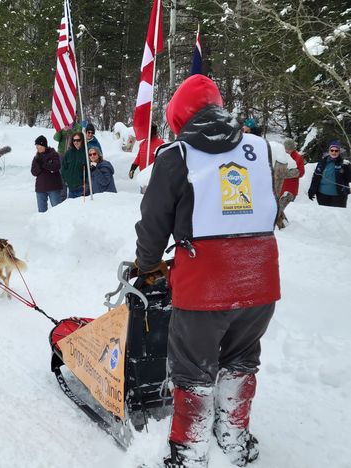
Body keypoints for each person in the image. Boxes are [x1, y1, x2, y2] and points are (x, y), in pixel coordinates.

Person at [133, 75, 279, 467]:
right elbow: (267, 207)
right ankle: (234, 437)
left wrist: (147, 266)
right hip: (260, 278)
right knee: (242, 357)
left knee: (194, 367)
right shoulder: (258, 148)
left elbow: (153, 223)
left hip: (204, 283)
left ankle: (191, 450)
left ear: (178, 116)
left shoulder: (176, 155)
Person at [308, 140, 351, 208]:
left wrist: (347, 168)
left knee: (337, 217)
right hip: (322, 196)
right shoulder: (322, 162)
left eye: (336, 151)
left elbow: (349, 179)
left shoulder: (343, 163)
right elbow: (316, 177)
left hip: (339, 197)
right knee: (325, 215)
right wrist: (311, 190)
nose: (334, 152)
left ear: (339, 152)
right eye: (332, 150)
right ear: (329, 151)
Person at [276, 138, 305, 226]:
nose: (287, 151)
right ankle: (285, 225)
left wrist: (286, 173)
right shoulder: (281, 155)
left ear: (293, 149)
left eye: (289, 149)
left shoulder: (298, 157)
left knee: (278, 209)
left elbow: (301, 172)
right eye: (286, 149)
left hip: (290, 190)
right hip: (279, 188)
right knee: (277, 208)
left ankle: (281, 226)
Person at [31, 135, 62, 213]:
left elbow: (56, 167)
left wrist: (44, 164)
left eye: (38, 145)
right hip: (40, 188)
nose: (37, 147)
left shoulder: (53, 154)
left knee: (57, 211)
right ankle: (42, 225)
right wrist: (42, 166)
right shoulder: (36, 157)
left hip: (53, 187)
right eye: (36, 146)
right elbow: (33, 172)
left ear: (43, 145)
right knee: (41, 213)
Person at [61, 131, 87, 198]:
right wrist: (67, 180)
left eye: (78, 140)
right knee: (72, 208)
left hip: (82, 189)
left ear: (82, 140)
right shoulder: (68, 153)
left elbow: (89, 169)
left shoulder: (86, 152)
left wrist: (86, 183)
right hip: (71, 189)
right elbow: (63, 168)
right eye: (74, 140)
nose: (76, 142)